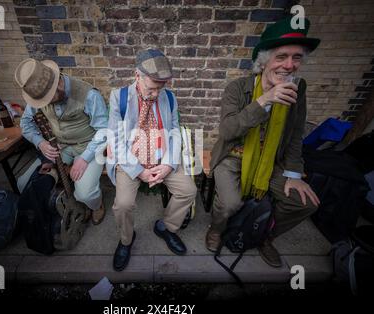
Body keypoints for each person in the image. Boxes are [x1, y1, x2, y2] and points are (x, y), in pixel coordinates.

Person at [207, 17, 321, 268]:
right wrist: (265, 101)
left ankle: (263, 234)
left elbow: (294, 134)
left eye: (297, 57)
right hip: (233, 156)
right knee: (230, 203)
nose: (290, 65)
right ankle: (216, 230)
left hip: (271, 161)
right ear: (264, 59)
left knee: (305, 203)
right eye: (281, 57)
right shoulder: (238, 88)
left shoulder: (297, 89)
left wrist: (293, 173)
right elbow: (227, 130)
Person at [107, 48, 197, 272]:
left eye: (161, 87)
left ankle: (166, 228)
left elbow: (175, 131)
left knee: (188, 190)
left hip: (161, 157)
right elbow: (116, 142)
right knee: (123, 204)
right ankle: (126, 240)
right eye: (152, 88)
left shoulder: (169, 97)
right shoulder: (119, 98)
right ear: (137, 75)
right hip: (131, 161)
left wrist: (167, 164)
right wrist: (139, 171)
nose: (157, 94)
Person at [15, 58, 108, 225]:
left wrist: (84, 158)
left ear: (58, 83)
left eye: (48, 98)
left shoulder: (89, 95)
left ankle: (96, 205)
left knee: (85, 194)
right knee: (24, 183)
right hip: (59, 147)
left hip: (88, 146)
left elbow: (104, 131)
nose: (45, 104)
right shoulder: (39, 96)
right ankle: (58, 200)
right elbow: (25, 124)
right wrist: (41, 143)